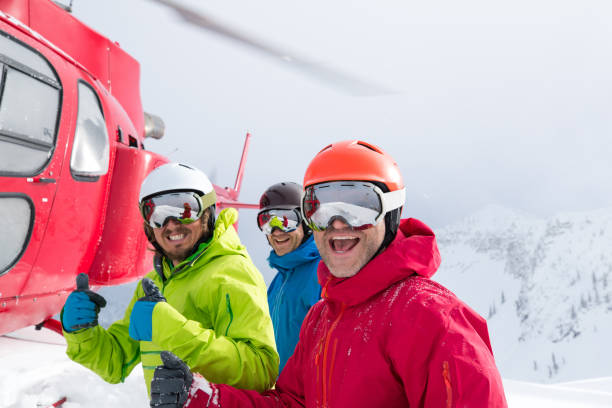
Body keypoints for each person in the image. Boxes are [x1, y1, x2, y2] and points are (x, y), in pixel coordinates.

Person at [149, 141, 508, 408]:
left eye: (357, 206)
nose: (337, 224)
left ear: (391, 212)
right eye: (320, 208)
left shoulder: (432, 318)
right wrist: (206, 398)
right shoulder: (324, 318)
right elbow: (294, 404)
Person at [60, 162, 279, 395]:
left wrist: (172, 329)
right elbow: (115, 362)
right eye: (157, 214)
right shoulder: (155, 282)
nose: (171, 224)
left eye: (185, 210)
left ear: (207, 213)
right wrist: (81, 332)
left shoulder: (231, 272)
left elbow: (260, 372)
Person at [257, 182, 321, 374]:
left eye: (287, 220)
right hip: (280, 395)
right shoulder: (280, 279)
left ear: (306, 222)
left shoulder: (322, 272)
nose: (277, 231)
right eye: (267, 222)